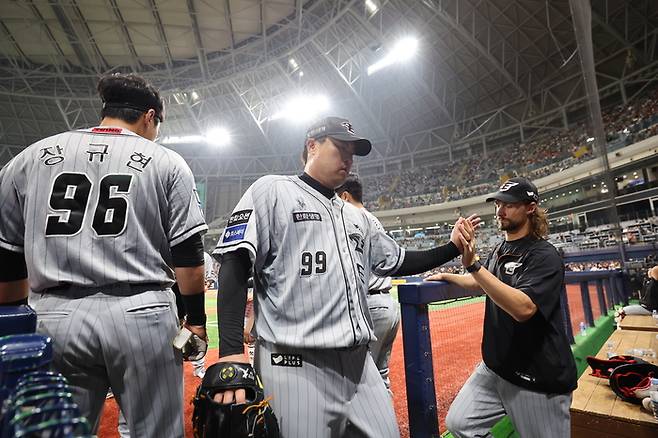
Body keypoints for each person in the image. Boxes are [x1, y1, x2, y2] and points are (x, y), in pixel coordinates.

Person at [211, 116, 478, 438]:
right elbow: (235, 261)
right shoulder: (272, 191)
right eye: (340, 148)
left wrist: (452, 247)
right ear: (312, 146)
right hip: (295, 363)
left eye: (352, 152)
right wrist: (230, 351)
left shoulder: (357, 217)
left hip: (358, 362)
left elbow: (399, 261)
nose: (348, 159)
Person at [0, 73, 208, 437]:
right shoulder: (166, 161)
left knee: (59, 429)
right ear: (149, 116)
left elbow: (8, 256)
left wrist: (18, 321)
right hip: (141, 313)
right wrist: (195, 320)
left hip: (55, 313)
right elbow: (188, 257)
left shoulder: (31, 157)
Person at [428, 176, 577, 438]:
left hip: (537, 374)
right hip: (496, 368)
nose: (500, 210)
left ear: (530, 207)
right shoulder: (500, 248)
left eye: (508, 204)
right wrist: (449, 277)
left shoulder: (544, 254)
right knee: (460, 423)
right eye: (498, 203)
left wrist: (473, 265)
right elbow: (485, 283)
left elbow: (524, 308)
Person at [336, 174, 400, 393]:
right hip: (388, 305)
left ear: (344, 196)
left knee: (356, 383)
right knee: (380, 378)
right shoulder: (372, 218)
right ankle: (386, 426)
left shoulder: (350, 217)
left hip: (370, 306)